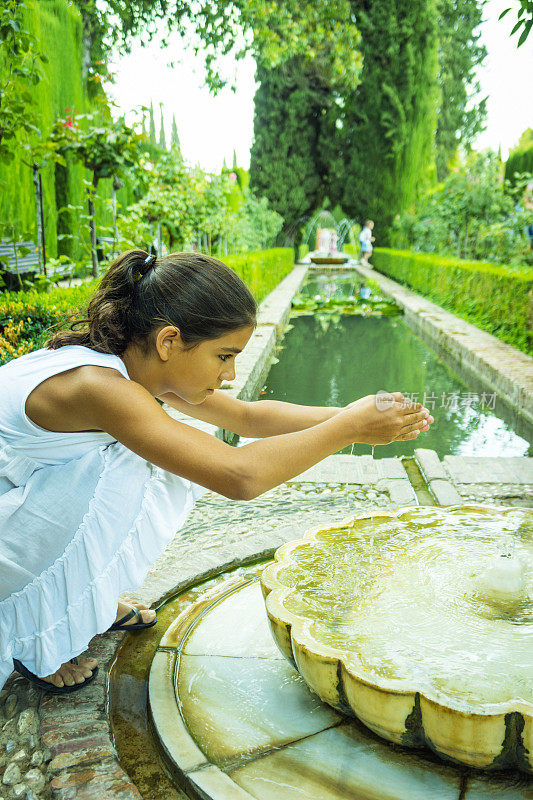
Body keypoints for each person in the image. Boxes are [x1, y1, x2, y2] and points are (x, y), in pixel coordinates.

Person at [0, 250, 433, 693]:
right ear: (169, 341)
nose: (230, 373)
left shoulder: (139, 363)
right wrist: (351, 427)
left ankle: (87, 600)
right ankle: (41, 638)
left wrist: (357, 414)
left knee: (141, 457)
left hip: (26, 491)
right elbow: (239, 476)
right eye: (224, 356)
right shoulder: (100, 387)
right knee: (127, 466)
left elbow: (248, 417)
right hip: (7, 523)